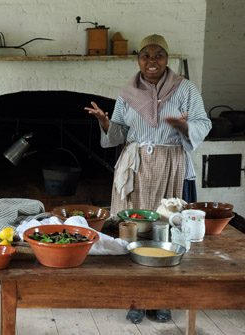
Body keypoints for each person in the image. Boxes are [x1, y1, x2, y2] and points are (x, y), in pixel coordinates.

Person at [85, 34, 211, 324]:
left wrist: (185, 125)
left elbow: (203, 123)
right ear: (138, 59)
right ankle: (136, 299)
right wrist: (104, 122)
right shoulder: (127, 93)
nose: (152, 61)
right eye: (146, 55)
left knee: (166, 232)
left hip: (170, 165)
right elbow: (117, 133)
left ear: (167, 59)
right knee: (133, 231)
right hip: (136, 166)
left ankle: (163, 299)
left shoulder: (185, 90)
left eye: (158, 55)